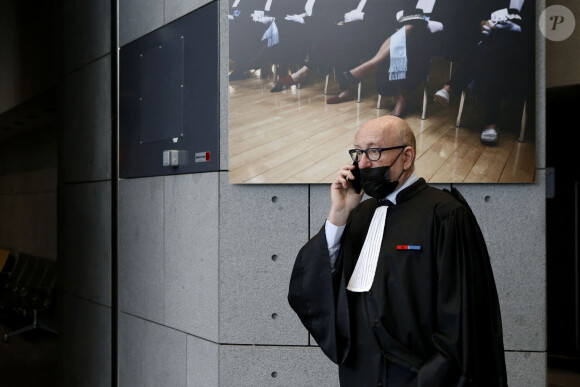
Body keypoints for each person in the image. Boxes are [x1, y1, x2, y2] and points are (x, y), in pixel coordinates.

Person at [288, 115, 507, 386]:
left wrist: (431, 377)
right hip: (360, 374)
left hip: (420, 378)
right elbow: (311, 286)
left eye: (374, 151)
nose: (363, 163)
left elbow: (461, 318)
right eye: (358, 152)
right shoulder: (358, 214)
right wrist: (339, 213)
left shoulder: (446, 215)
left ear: (406, 157)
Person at [432, 0, 533, 145]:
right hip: (495, 51)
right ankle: (490, 125)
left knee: (494, 47)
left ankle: (450, 88)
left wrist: (517, 28)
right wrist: (484, 23)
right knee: (495, 50)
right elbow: (482, 17)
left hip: (524, 53)